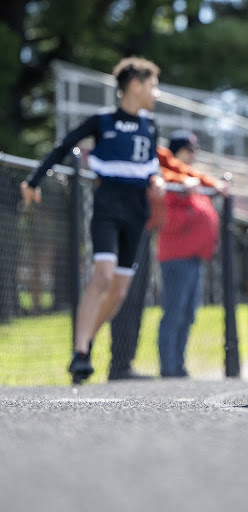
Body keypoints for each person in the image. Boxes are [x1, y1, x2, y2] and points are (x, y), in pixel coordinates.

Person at [20, 57, 164, 383]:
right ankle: (81, 351)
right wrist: (34, 180)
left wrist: (156, 180)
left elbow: (152, 164)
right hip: (107, 210)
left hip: (137, 214)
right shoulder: (102, 121)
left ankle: (86, 341)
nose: (156, 93)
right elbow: (63, 147)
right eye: (153, 85)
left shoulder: (151, 126)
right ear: (135, 85)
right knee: (102, 275)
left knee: (119, 290)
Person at [157, 130, 229, 378]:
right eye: (189, 150)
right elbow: (167, 220)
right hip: (176, 256)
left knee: (188, 314)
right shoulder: (169, 181)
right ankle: (169, 368)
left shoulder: (189, 180)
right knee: (174, 313)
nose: (193, 155)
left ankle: (178, 365)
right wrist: (191, 213)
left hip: (194, 257)